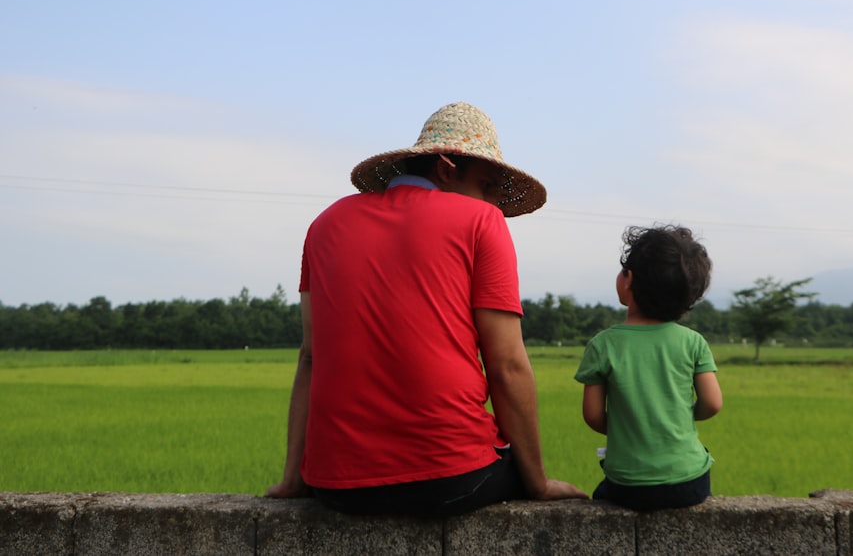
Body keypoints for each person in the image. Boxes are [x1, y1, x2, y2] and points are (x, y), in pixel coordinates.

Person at [266, 101, 587, 516]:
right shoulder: (481, 222)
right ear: (446, 169)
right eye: (488, 186)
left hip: (334, 486)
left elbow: (310, 357)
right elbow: (506, 364)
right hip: (450, 479)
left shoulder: (325, 223)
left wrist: (295, 479)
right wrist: (539, 484)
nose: (493, 202)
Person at [574, 224, 722, 511]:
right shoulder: (694, 342)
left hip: (627, 486)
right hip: (689, 483)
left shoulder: (603, 345)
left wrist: (629, 427)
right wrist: (683, 417)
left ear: (628, 280)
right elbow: (713, 404)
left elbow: (593, 416)